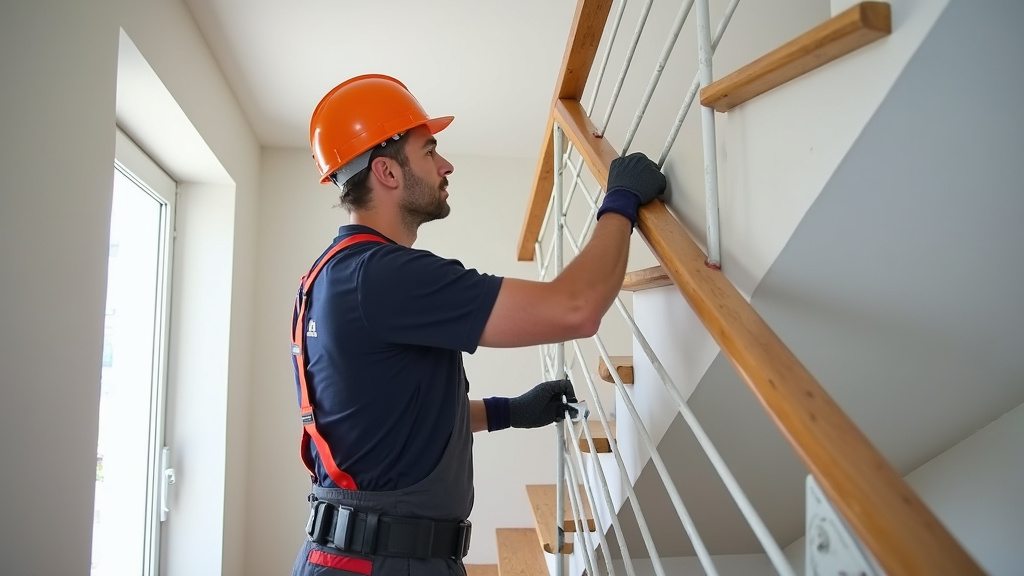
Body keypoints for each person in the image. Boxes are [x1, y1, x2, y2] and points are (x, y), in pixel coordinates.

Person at [291, 74, 666, 576]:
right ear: (387, 171)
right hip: (382, 563)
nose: (445, 165)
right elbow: (576, 308)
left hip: (365, 554)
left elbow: (388, 422)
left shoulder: (329, 276)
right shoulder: (384, 276)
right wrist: (620, 202)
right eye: (429, 152)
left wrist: (509, 411)